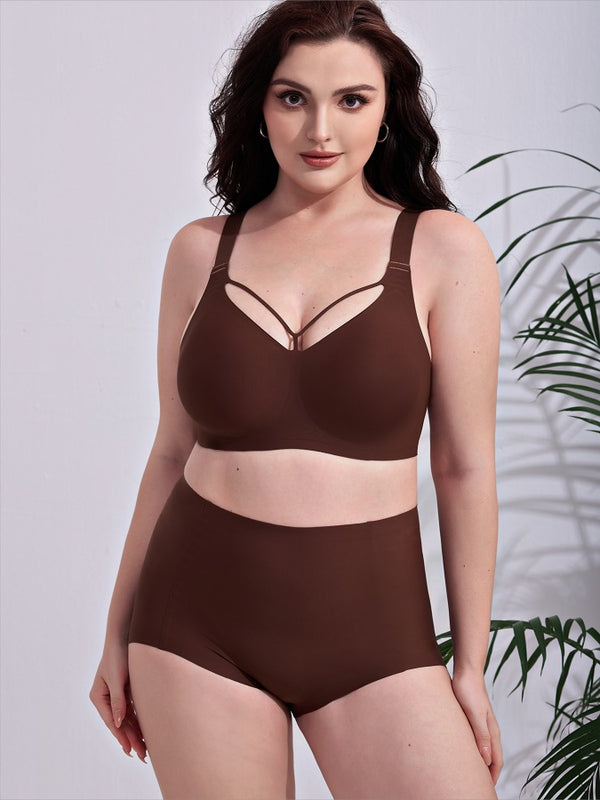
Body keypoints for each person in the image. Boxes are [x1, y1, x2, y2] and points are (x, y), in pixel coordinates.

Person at [89, 1, 503, 797]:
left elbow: (463, 466)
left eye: (351, 100)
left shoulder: (444, 249)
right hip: (193, 627)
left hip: (375, 632)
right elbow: (172, 451)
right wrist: (116, 630)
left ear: (387, 111)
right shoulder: (200, 252)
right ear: (260, 106)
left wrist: (471, 665)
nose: (321, 129)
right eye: (293, 98)